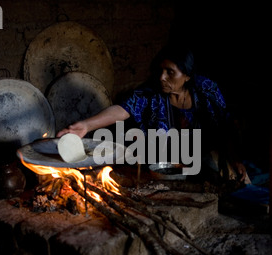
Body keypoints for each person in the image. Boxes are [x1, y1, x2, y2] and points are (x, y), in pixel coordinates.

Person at [57, 43, 247, 182]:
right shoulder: (151, 91)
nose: (162, 77)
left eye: (170, 72)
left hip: (204, 154)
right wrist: (86, 125)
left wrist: (236, 160)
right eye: (160, 70)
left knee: (235, 184)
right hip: (167, 161)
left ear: (187, 76)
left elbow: (224, 127)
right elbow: (122, 109)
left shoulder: (206, 90)